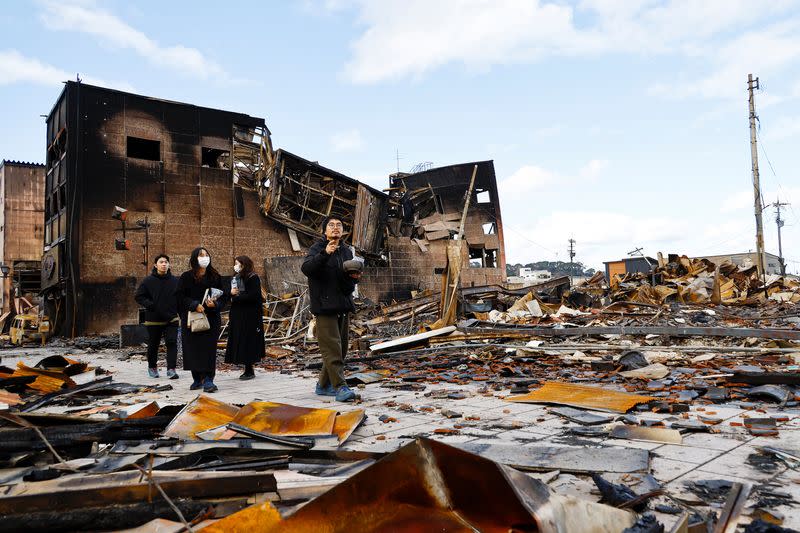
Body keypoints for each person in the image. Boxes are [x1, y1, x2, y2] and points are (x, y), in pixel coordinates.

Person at [301, 216, 362, 402]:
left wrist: (353, 279)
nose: (335, 228)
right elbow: (307, 269)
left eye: (339, 225)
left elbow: (347, 281)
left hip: (342, 304)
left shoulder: (346, 251)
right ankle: (340, 387)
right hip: (324, 306)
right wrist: (325, 253)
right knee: (332, 349)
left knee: (341, 349)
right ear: (324, 230)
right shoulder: (317, 248)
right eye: (331, 225)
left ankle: (322, 385)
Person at [176, 247, 227, 393]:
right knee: (193, 348)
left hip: (210, 319)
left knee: (208, 349)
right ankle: (197, 378)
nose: (204, 257)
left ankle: (209, 379)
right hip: (192, 319)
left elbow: (223, 297)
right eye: (201, 255)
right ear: (194, 258)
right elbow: (180, 297)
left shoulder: (215, 277)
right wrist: (194, 305)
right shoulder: (186, 277)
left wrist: (215, 304)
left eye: (206, 255)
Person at [134, 254, 179, 379]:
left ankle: (171, 369)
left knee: (172, 343)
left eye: (166, 262)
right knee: (154, 344)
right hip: (154, 319)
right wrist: (151, 305)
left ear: (169, 265)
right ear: (155, 265)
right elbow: (139, 296)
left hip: (171, 318)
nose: (164, 264)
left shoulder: (175, 281)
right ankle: (152, 367)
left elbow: (181, 297)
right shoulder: (148, 281)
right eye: (161, 262)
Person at [224, 255, 265, 380]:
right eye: (235, 264)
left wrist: (237, 297)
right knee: (239, 339)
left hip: (250, 315)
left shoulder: (253, 278)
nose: (236, 266)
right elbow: (231, 293)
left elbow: (254, 295)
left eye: (238, 264)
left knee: (248, 340)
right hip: (237, 314)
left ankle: (249, 369)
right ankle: (243, 365)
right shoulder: (236, 278)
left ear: (244, 264)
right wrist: (231, 295)